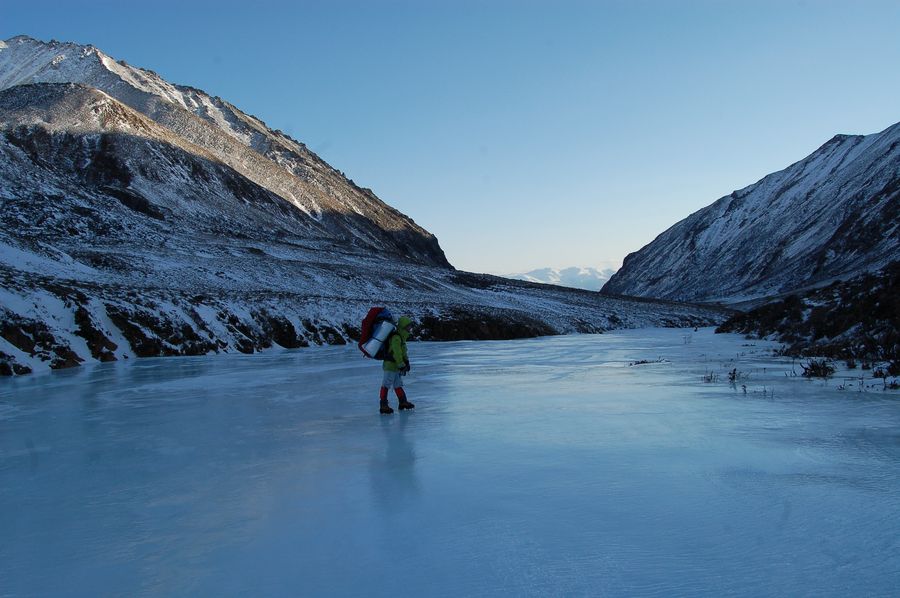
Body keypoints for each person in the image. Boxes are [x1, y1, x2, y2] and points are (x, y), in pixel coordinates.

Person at [379, 316, 415, 415]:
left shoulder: (401, 337)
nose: (410, 328)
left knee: (398, 384)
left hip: (396, 366)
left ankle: (403, 402)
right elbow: (397, 352)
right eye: (408, 326)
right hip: (390, 365)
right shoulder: (396, 337)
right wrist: (401, 364)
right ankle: (383, 405)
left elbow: (403, 352)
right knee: (386, 384)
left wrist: (406, 362)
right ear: (403, 326)